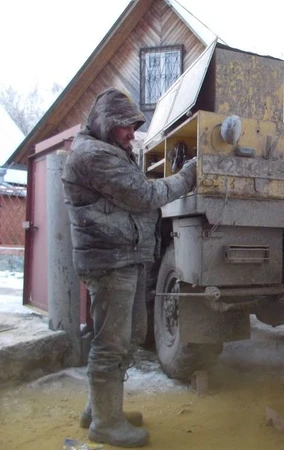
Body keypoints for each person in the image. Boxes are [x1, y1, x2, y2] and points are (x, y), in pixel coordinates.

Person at [62, 87, 197, 448]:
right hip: (110, 261)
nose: (131, 134)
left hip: (124, 257)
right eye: (124, 126)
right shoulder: (94, 155)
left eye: (134, 126)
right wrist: (187, 176)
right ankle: (106, 423)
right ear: (106, 124)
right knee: (111, 342)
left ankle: (101, 410)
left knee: (129, 335)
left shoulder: (107, 150)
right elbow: (144, 195)